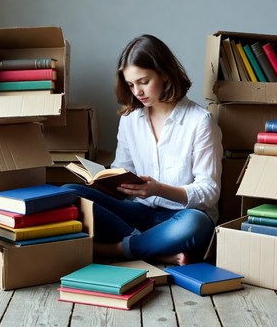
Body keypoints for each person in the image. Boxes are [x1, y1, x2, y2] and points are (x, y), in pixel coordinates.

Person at [64, 34, 223, 265]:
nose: (137, 91)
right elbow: (122, 169)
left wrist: (159, 189)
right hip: (138, 214)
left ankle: (117, 250)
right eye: (130, 84)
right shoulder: (131, 119)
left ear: (165, 74)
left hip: (180, 219)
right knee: (69, 192)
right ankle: (156, 251)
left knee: (195, 224)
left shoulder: (200, 121)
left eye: (143, 81)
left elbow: (209, 192)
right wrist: (102, 181)